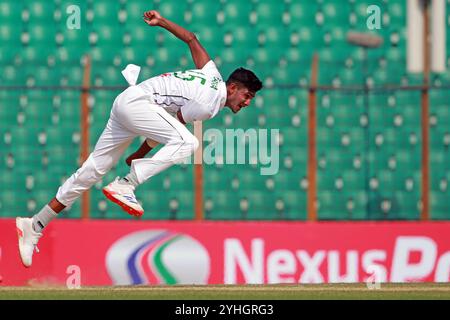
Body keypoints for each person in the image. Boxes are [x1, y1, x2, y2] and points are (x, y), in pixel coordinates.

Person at [16, 10, 262, 267]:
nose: (246, 102)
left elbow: (191, 38)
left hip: (128, 102)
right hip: (139, 106)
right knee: (190, 143)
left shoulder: (212, 74)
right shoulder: (209, 103)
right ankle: (126, 184)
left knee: (91, 171)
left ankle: (35, 223)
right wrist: (138, 160)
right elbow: (175, 124)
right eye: (246, 96)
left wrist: (163, 21)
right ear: (232, 88)